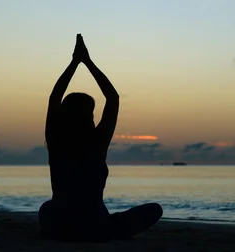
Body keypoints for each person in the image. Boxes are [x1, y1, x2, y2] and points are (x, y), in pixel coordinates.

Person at [38, 34, 163, 242]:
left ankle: (69, 231)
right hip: (94, 225)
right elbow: (113, 98)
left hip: (61, 224)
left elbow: (54, 98)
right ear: (90, 116)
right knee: (154, 210)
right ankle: (106, 229)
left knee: (47, 208)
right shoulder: (97, 143)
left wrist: (75, 62)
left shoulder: (56, 141)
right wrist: (87, 61)